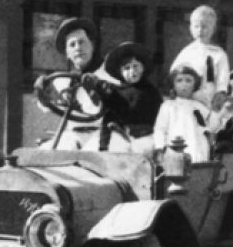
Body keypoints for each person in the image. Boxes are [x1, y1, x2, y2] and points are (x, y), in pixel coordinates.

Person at [34, 17, 117, 150]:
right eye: (72, 45)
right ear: (67, 53)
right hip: (72, 136)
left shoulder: (109, 75)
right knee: (42, 156)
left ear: (92, 45)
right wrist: (41, 92)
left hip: (102, 135)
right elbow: (49, 106)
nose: (78, 48)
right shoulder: (63, 80)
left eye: (82, 42)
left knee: (89, 159)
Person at [87, 42, 162, 154]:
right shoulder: (116, 93)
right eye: (127, 68)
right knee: (115, 153)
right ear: (120, 73)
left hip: (146, 136)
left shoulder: (151, 91)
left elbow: (161, 119)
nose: (132, 71)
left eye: (135, 66)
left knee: (144, 153)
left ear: (143, 67)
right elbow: (108, 119)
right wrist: (103, 146)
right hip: (122, 136)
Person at [169, 5, 230, 111]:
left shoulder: (219, 55)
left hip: (208, 105)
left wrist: (217, 102)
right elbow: (173, 76)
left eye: (205, 26)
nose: (200, 30)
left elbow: (222, 83)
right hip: (185, 104)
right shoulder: (186, 52)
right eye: (196, 26)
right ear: (190, 28)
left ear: (213, 28)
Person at [153, 65, 213, 162]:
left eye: (188, 80)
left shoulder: (198, 106)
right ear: (173, 85)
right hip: (176, 148)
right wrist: (160, 148)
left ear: (195, 84)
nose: (184, 84)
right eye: (179, 80)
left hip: (197, 148)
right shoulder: (168, 106)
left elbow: (209, 125)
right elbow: (160, 129)